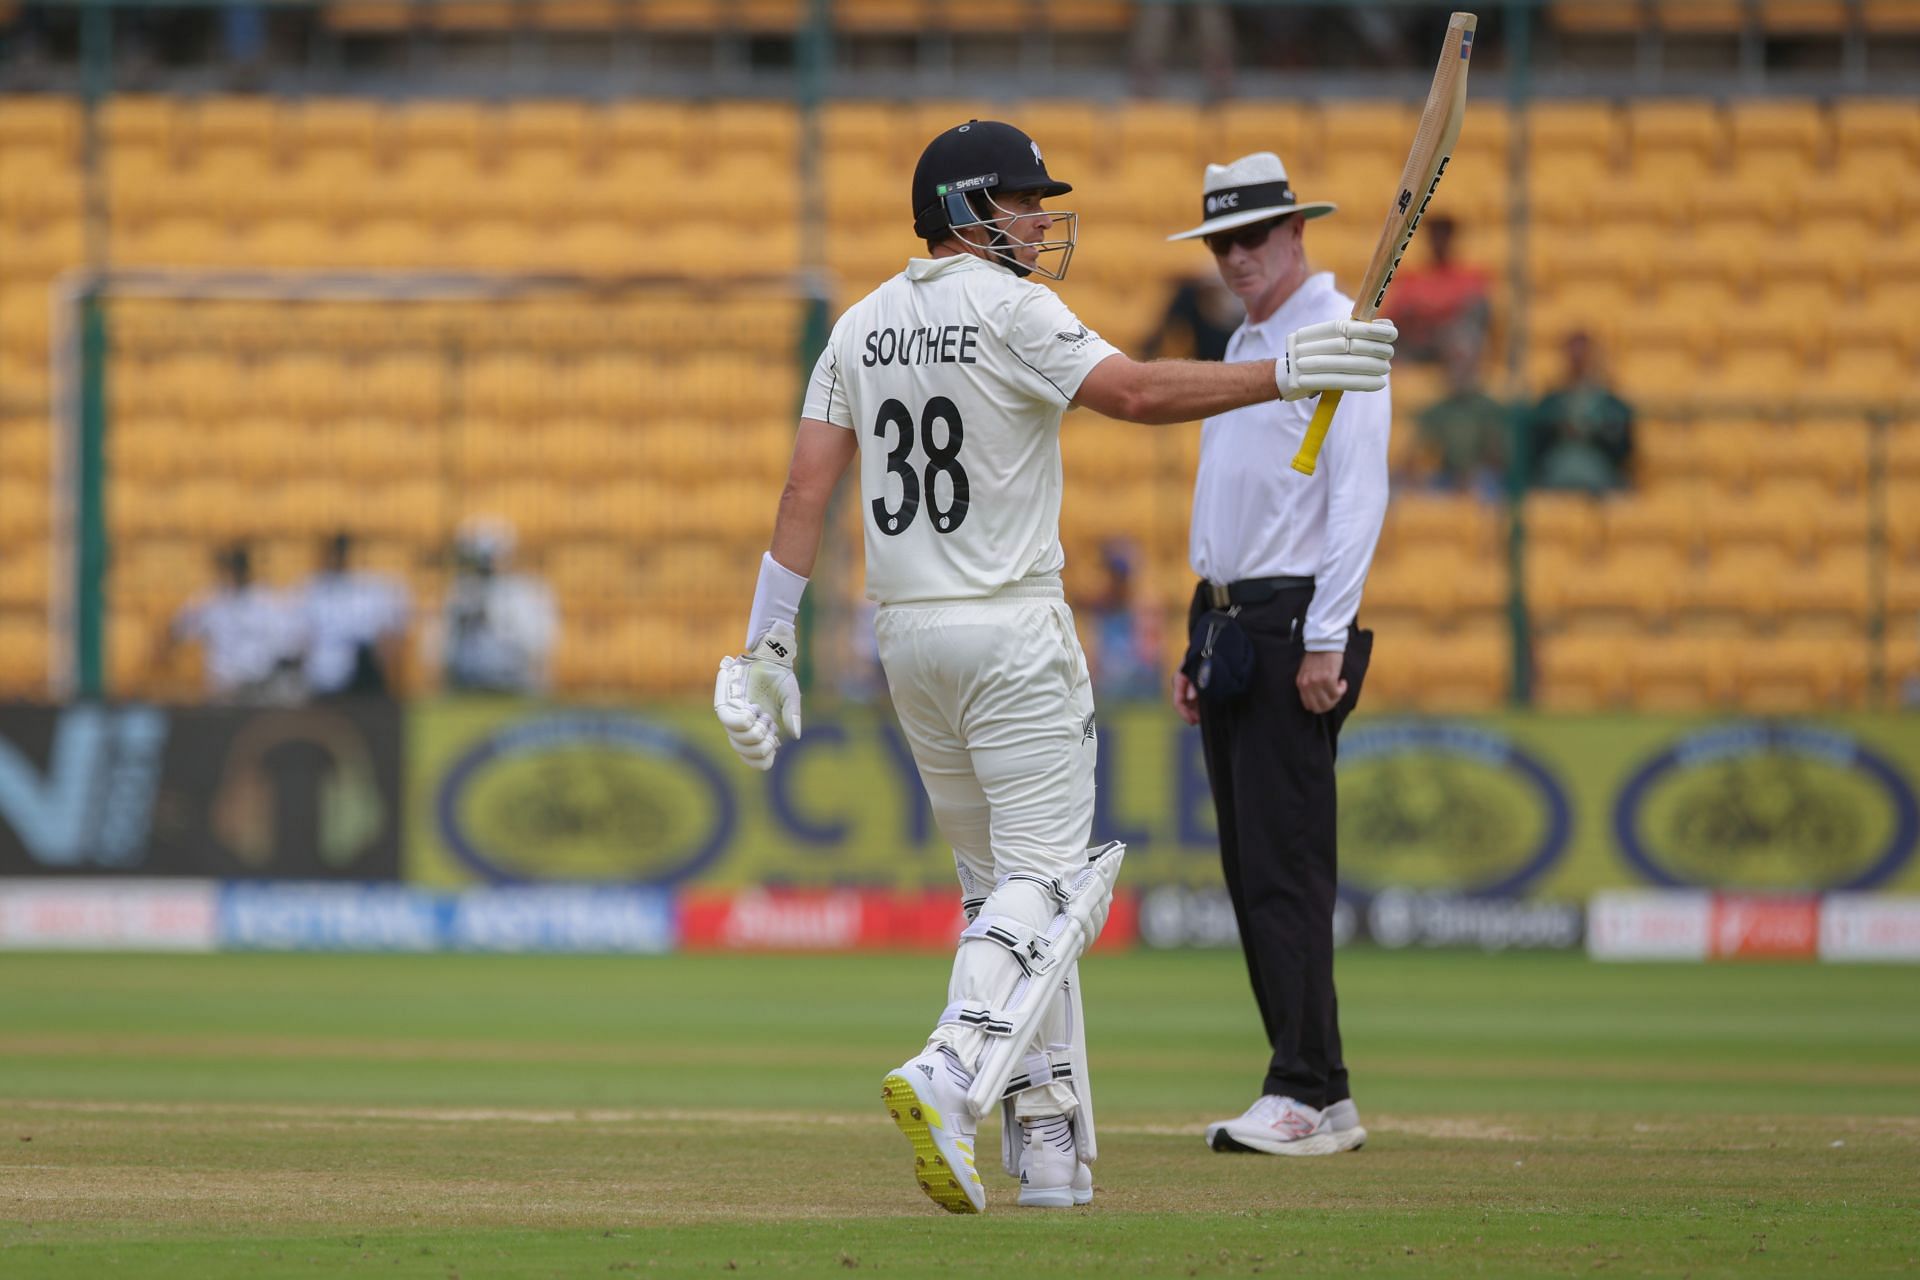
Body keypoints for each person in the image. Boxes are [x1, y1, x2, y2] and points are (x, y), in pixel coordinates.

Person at [710, 120, 1397, 1214]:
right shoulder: (1012, 306)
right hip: (1010, 629)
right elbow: (1132, 395)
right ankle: (949, 1068)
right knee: (1047, 884)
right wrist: (1288, 373)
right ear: (972, 210)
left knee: (1000, 893)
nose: (1039, 219)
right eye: (1024, 201)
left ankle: (1048, 1144)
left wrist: (767, 642)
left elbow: (805, 490)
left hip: (908, 636)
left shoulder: (858, 324)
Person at [1164, 150, 1390, 1158]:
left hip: (1292, 622)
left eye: (1253, 236)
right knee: (1251, 863)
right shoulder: (1251, 340)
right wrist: (1192, 633)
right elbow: (1237, 504)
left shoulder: (1339, 336)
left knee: (1284, 869)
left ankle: (1300, 1084)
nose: (1236, 257)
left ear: (1299, 232)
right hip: (1231, 625)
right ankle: (1321, 1088)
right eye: (1222, 241)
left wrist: (1327, 634)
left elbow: (1357, 496)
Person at [166, 542, 305, 703]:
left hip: (258, 689)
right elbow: (177, 630)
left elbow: (291, 645)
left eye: (238, 568)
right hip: (224, 689)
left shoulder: (267, 602)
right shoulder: (211, 601)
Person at [437, 517, 557, 695]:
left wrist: (495, 616)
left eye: (486, 557)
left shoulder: (531, 592)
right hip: (467, 687)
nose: (482, 565)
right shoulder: (460, 592)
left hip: (516, 685)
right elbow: (442, 649)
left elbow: (540, 648)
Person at [297, 531, 411, 699]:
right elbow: (301, 637)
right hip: (321, 674)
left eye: (343, 553)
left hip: (358, 677)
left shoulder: (366, 589)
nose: (338, 558)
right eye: (336, 553)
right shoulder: (313, 589)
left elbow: (389, 632)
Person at [1527, 330, 1635, 493]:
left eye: (1583, 354)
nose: (1578, 360)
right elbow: (1534, 445)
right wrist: (1557, 427)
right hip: (1556, 474)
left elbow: (1623, 448)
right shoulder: (1551, 401)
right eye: (1573, 354)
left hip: (1599, 475)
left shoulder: (1610, 402)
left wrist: (1597, 432)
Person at [1381, 214, 1490, 364]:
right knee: (1380, 343)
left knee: (1465, 339)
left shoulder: (1468, 276)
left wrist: (1426, 307)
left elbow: (1475, 309)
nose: (1439, 241)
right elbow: (1392, 314)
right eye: (1435, 235)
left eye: (1443, 235)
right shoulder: (1411, 277)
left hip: (1450, 341)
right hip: (1415, 343)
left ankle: (1462, 387)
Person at [1414, 329, 1509, 497]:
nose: (1457, 370)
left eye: (1463, 362)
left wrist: (1470, 474)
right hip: (1445, 478)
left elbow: (1501, 457)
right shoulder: (1436, 411)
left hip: (1484, 478)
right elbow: (1419, 453)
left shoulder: (1489, 408)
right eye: (1451, 363)